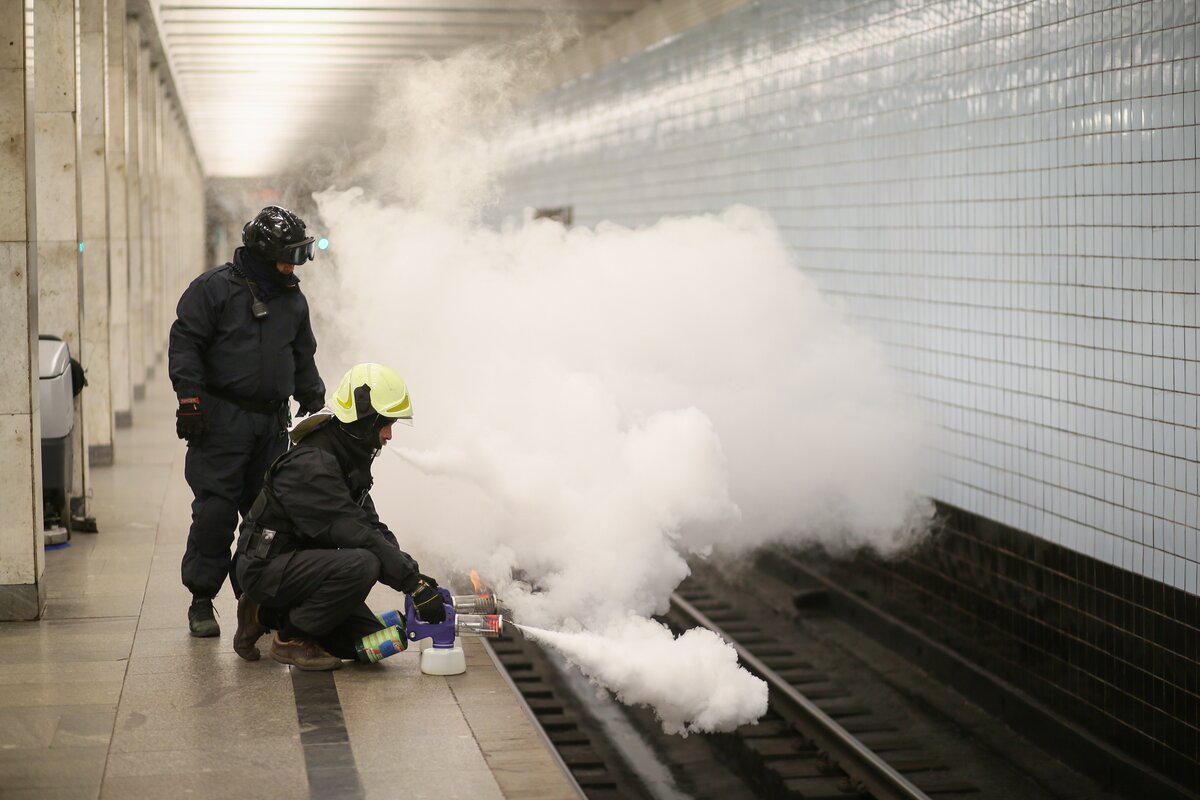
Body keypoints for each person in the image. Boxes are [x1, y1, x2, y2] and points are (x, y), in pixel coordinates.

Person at [169, 206, 326, 637]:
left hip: (271, 426)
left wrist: (312, 394)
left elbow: (302, 354)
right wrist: (190, 400)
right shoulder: (213, 290)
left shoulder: (292, 299)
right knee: (215, 513)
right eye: (284, 257)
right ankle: (202, 600)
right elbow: (185, 344)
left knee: (267, 521)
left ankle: (252, 601)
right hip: (221, 421)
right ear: (261, 252)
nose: (291, 266)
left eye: (296, 257)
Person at [231, 363, 447, 670]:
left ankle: (262, 615)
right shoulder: (312, 466)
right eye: (385, 424)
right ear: (363, 421)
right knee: (363, 563)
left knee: (370, 645)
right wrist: (409, 583)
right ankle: (290, 637)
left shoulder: (345, 456)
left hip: (300, 568)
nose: (388, 435)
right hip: (267, 568)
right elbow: (355, 532)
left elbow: (373, 525)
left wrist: (415, 576)